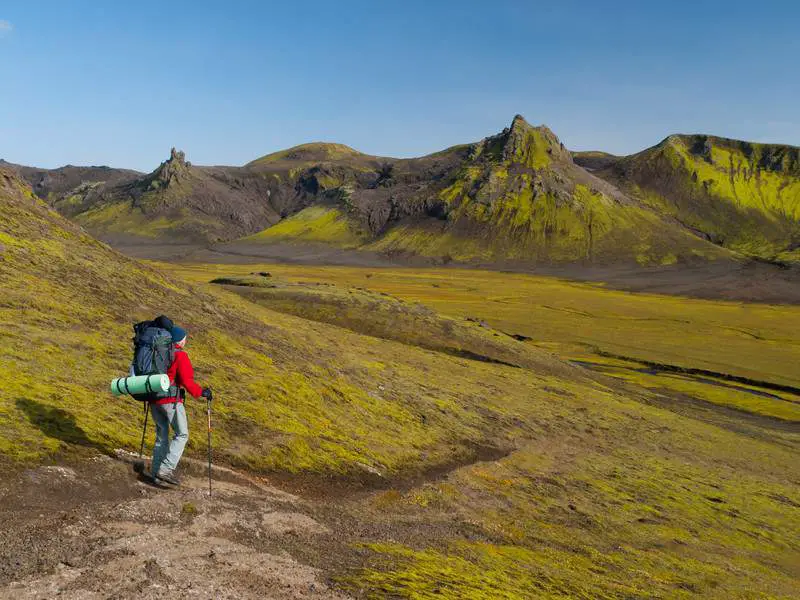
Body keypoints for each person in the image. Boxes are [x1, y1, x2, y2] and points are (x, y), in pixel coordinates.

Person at [150, 325, 213, 485]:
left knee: (161, 435)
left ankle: (156, 473)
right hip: (170, 401)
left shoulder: (157, 352)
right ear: (180, 340)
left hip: (153, 399)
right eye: (185, 338)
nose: (186, 340)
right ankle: (166, 470)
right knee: (182, 434)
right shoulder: (180, 356)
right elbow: (186, 381)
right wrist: (201, 392)